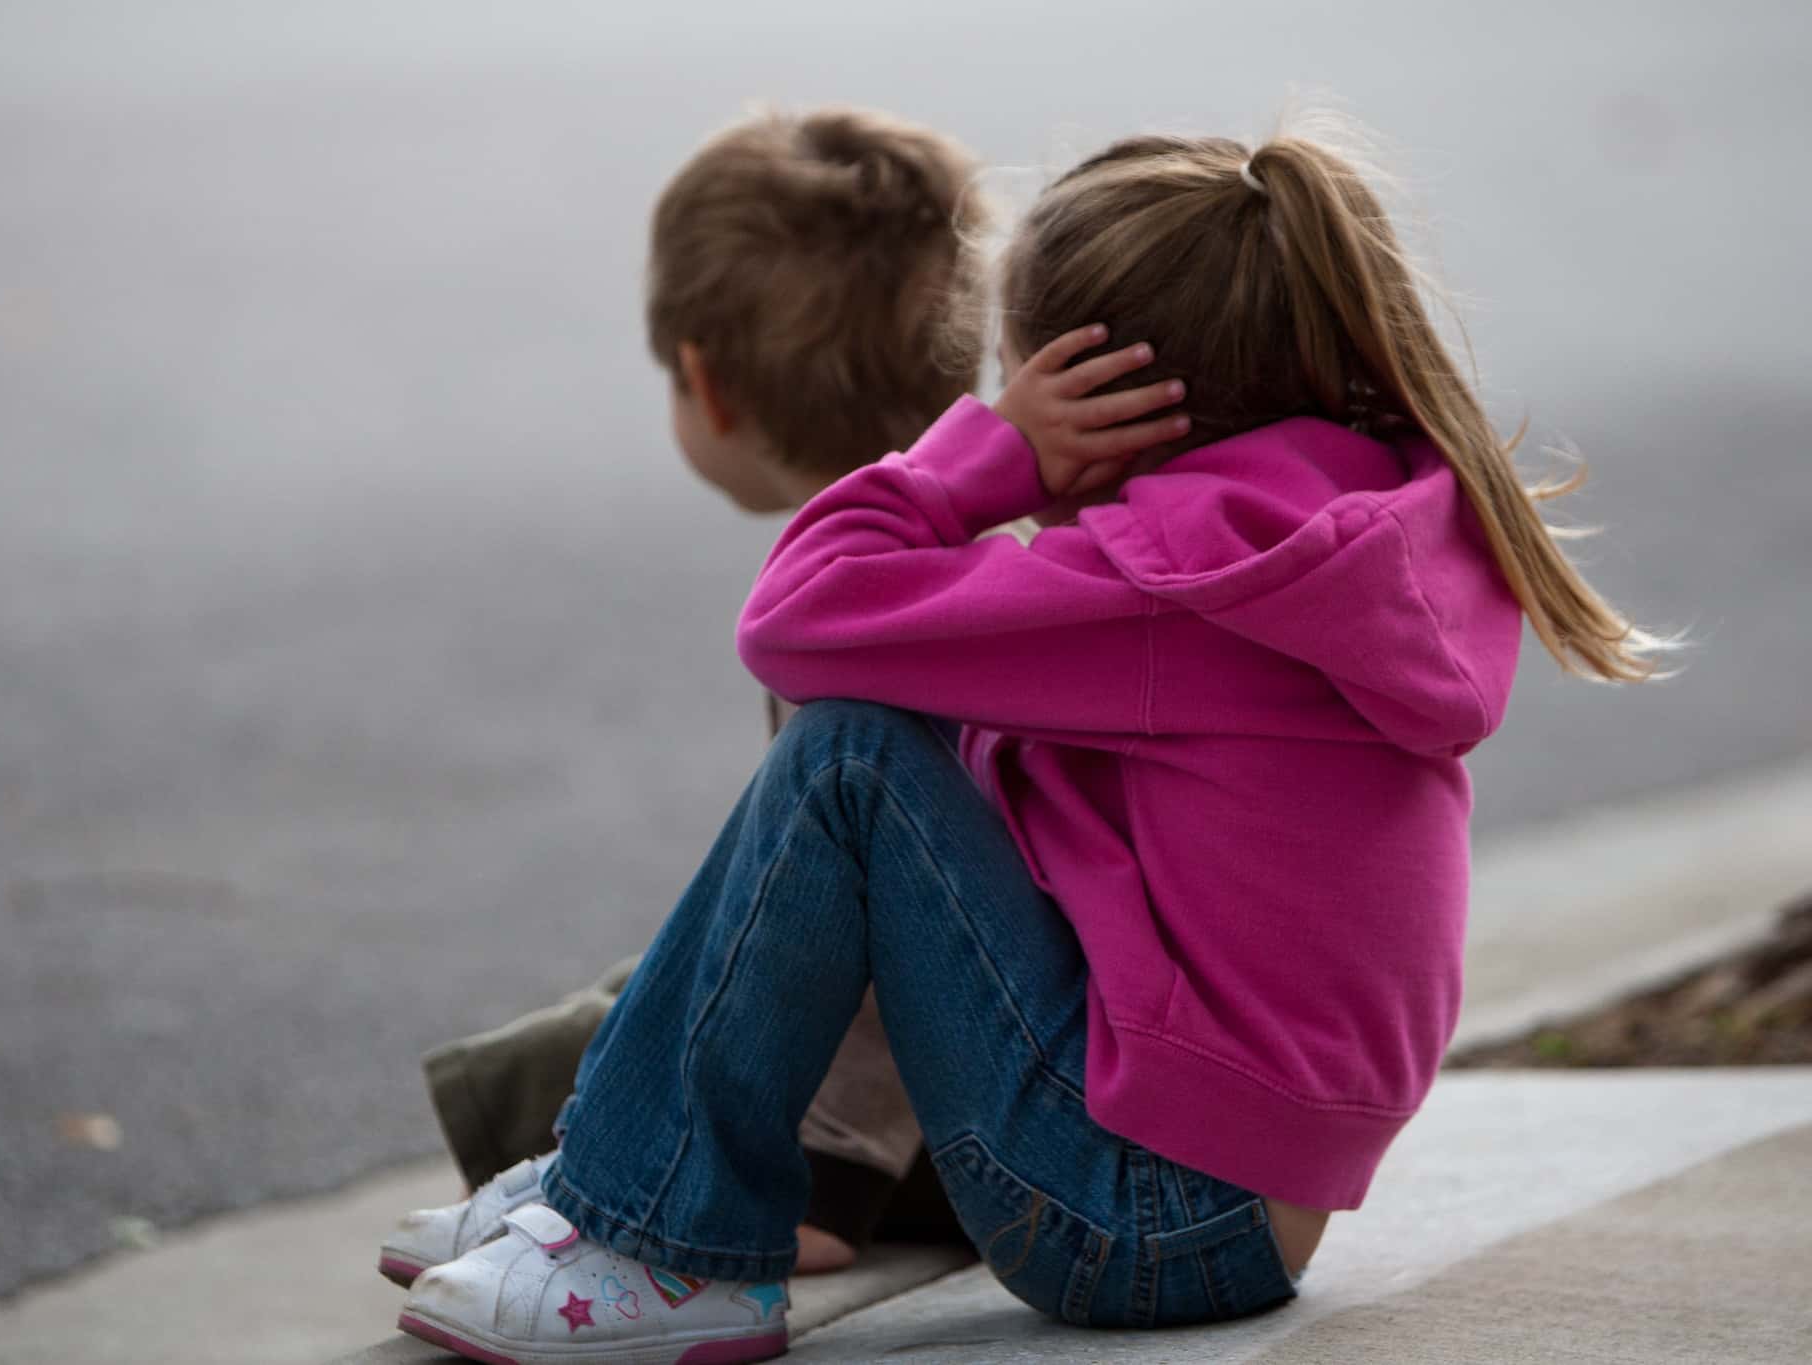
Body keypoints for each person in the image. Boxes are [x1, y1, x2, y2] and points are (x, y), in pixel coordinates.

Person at [395, 126, 1677, 1364]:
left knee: (848, 756)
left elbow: (791, 619)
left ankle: (658, 1238)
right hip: (1220, 1201)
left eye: (1013, 377)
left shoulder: (1170, 588)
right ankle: (614, 1176)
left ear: (1095, 396)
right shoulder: (1322, 532)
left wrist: (982, 461)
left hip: (1145, 1217)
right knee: (909, 737)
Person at [378, 104, 1001, 1293]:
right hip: (1016, 1051)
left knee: (635, 1019)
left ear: (706, 387)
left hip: (957, 1115)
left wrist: (828, 1177)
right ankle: (578, 1144)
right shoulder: (984, 552)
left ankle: (593, 1164)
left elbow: (888, 935)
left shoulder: (861, 609)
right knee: (679, 969)